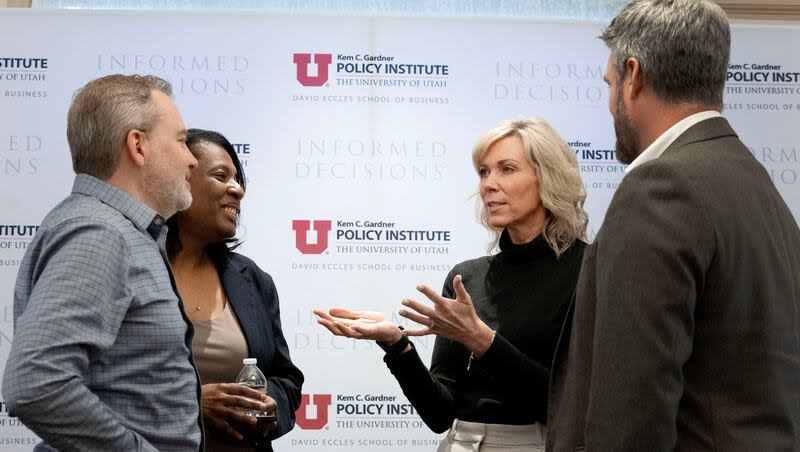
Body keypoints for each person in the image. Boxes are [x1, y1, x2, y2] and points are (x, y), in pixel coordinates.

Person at [546, 1, 800, 451]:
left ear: (633, 75)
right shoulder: (758, 185)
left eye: (609, 84)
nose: (608, 101)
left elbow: (630, 416)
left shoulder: (660, 187)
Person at [316, 118, 588, 452]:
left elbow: (573, 403)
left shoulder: (588, 270)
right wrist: (397, 344)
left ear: (548, 176)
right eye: (484, 172)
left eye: (507, 168)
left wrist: (482, 341)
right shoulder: (466, 278)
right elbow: (439, 414)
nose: (488, 184)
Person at [2, 74, 203, 451]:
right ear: (137, 145)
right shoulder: (100, 234)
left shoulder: (122, 232)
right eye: (180, 141)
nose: (192, 159)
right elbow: (34, 384)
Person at [166, 128, 304, 452]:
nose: (238, 190)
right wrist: (191, 405)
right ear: (180, 182)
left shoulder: (253, 280)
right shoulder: (135, 270)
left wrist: (270, 404)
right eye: (220, 175)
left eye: (238, 179)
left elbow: (287, 381)